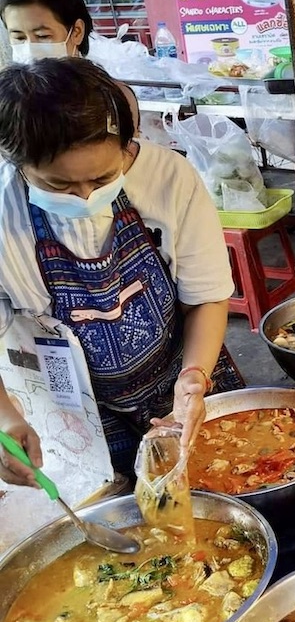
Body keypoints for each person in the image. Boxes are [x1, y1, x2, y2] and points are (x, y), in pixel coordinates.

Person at [0, 58, 243, 486]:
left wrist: (192, 380)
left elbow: (206, 295)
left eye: (102, 176)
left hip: (183, 373)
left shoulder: (168, 177)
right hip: (85, 408)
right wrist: (5, 418)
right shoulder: (5, 214)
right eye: (59, 185)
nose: (84, 196)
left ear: (127, 145)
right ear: (18, 164)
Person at [0, 0, 140, 129]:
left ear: (77, 32)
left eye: (42, 36)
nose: (30, 48)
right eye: (19, 38)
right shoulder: (7, 104)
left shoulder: (112, 101)